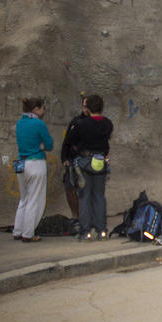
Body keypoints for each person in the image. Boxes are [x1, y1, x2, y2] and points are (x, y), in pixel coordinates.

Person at [66, 94, 114, 240]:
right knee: (99, 196)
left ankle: (85, 231)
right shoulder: (108, 124)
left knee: (84, 196)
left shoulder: (82, 124)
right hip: (100, 162)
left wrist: (78, 149)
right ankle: (101, 230)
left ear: (88, 107)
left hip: (85, 162)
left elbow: (70, 140)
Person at [13, 97, 53, 243]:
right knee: (35, 200)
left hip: (21, 162)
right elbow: (49, 144)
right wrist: (41, 146)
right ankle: (28, 234)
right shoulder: (38, 123)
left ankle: (18, 230)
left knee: (24, 198)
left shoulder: (19, 123)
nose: (44, 111)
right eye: (42, 108)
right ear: (36, 109)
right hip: (35, 162)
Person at [59, 94, 89, 223]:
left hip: (89, 162)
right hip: (73, 161)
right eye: (84, 106)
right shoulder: (75, 122)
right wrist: (64, 158)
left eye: (89, 106)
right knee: (70, 188)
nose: (86, 109)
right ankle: (75, 217)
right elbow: (66, 142)